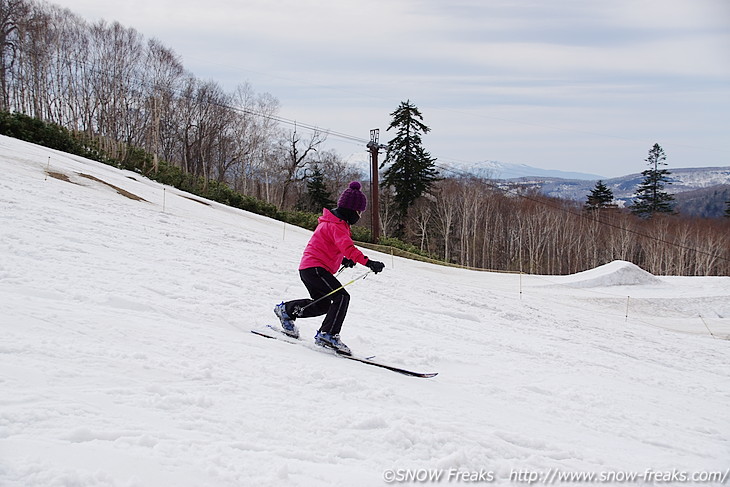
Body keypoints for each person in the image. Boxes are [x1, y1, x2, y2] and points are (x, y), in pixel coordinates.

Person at [274, 181, 385, 355]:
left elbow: (330, 247)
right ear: (351, 210)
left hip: (310, 269)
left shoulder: (332, 222)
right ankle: (328, 334)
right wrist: (369, 263)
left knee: (323, 304)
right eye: (359, 212)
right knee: (342, 297)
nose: (359, 216)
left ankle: (287, 311)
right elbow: (348, 248)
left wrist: (343, 260)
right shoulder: (337, 225)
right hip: (315, 269)